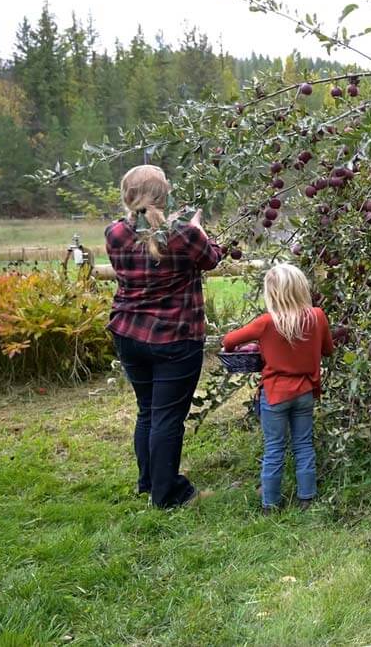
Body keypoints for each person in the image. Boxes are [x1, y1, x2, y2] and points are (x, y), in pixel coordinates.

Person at [106, 165, 222, 508]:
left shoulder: (113, 232)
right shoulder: (184, 233)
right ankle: (168, 495)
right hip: (175, 337)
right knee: (168, 418)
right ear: (165, 195)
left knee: (148, 411)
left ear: (128, 196)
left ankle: (150, 482)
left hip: (128, 333)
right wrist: (198, 228)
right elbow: (212, 258)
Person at [223, 264, 333, 513]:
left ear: (271, 293)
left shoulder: (266, 322)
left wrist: (253, 349)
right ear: (301, 288)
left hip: (275, 394)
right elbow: (328, 350)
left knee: (274, 447)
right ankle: (307, 498)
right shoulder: (317, 316)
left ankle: (270, 504)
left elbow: (229, 340)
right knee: (303, 444)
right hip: (305, 390)